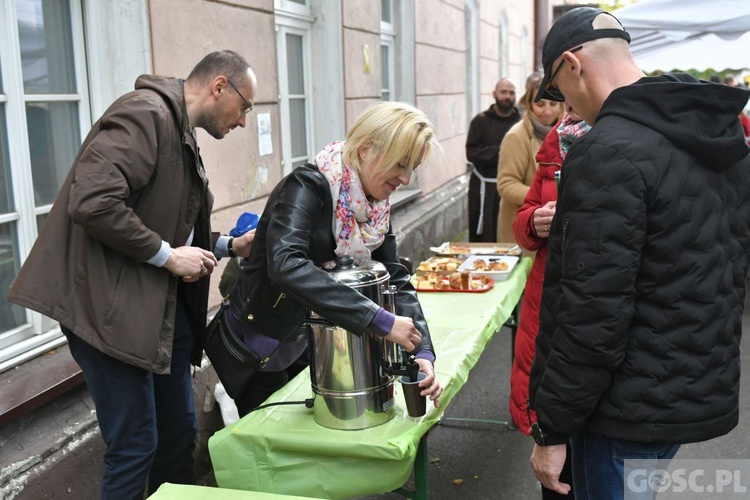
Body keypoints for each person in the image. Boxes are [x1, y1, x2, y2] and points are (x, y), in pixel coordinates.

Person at [7, 50, 258, 499]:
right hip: (105, 311)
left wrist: (226, 246)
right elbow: (93, 201)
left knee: (178, 434)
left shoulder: (177, 127)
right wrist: (166, 257)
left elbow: (166, 222)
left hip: (154, 312)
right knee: (135, 445)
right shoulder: (144, 114)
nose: (243, 122)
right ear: (220, 86)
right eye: (246, 107)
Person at [527, 7, 750, 498]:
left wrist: (552, 428)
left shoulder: (608, 150)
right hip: (682, 384)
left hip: (623, 404)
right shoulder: (714, 132)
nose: (568, 109)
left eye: (561, 92)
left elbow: (592, 311)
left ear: (571, 64)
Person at [224, 101, 443, 416]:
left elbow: (395, 277)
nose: (406, 178)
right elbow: (285, 264)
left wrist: (421, 350)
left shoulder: (374, 207)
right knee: (276, 448)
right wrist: (379, 320)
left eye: (413, 167)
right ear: (366, 149)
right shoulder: (307, 186)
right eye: (400, 164)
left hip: (313, 344)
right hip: (263, 347)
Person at [511, 108, 589, 499]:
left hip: (589, 312)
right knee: (558, 477)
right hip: (549, 307)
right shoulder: (559, 140)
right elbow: (524, 215)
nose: (561, 109)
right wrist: (533, 222)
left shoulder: (627, 142)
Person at [496, 74, 563, 244]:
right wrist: (547, 198)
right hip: (522, 231)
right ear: (529, 104)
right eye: (540, 104)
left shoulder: (566, 134)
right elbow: (506, 184)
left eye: (553, 103)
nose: (547, 111)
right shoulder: (516, 136)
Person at [465, 78, 521, 242]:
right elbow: (472, 153)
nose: (507, 96)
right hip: (484, 186)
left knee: (509, 230)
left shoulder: (521, 123)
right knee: (483, 232)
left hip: (512, 185)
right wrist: (504, 152)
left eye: (511, 93)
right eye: (503, 92)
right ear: (494, 94)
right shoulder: (480, 121)